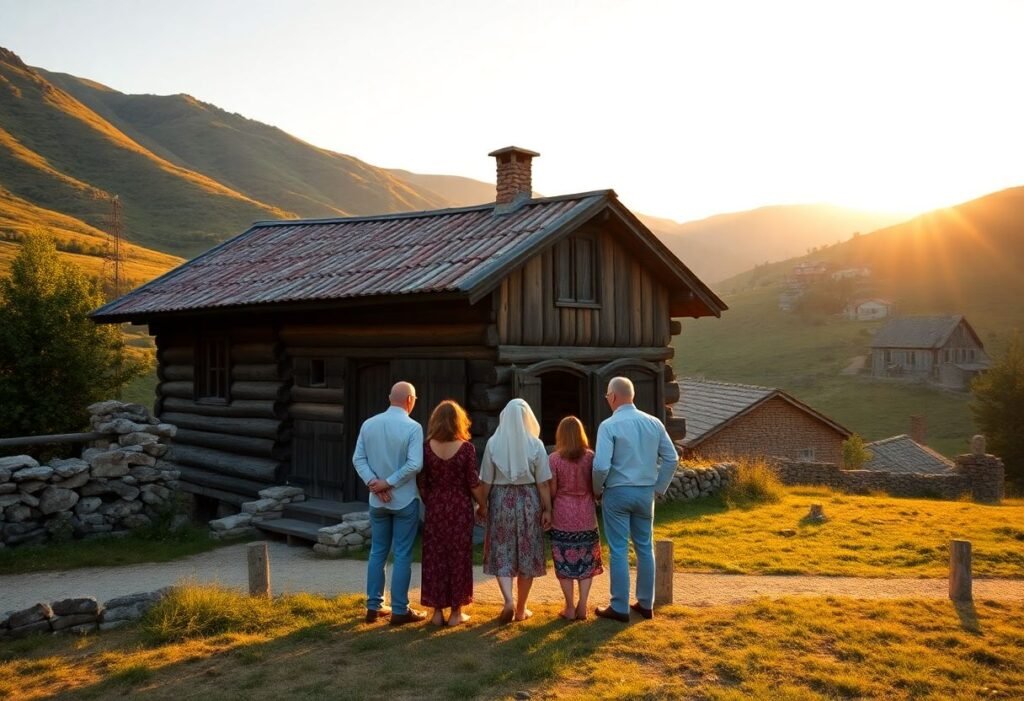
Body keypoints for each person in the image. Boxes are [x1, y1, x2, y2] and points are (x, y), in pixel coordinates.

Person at [592, 376, 678, 622]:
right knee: (644, 547)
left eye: (607, 396)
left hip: (618, 492)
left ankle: (619, 607)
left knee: (619, 549)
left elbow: (600, 466)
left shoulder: (608, 426)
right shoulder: (654, 423)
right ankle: (645, 603)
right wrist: (658, 488)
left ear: (614, 396)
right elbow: (672, 458)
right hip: (645, 492)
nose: (607, 400)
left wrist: (597, 489)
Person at [352, 381, 425, 626]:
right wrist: (389, 482)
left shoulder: (369, 424)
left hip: (377, 500)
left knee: (377, 551)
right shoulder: (413, 427)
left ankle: (373, 606)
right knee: (402, 553)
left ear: (389, 397)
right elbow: (415, 464)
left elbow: (358, 458)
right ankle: (400, 609)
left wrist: (374, 481)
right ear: (410, 400)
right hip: (404, 499)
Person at [479, 398, 552, 623]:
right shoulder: (536, 444)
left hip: (501, 500)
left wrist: (481, 505)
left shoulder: (493, 444)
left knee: (502, 550)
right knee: (527, 551)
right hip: (529, 499)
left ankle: (508, 600)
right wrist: (548, 508)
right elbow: (543, 483)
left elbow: (486, 481)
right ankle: (521, 609)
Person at [417, 400, 487, 627]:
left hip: (436, 508)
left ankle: (436, 611)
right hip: (459, 508)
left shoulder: (426, 448)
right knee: (459, 557)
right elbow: (473, 482)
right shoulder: (466, 448)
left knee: (435, 558)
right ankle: (456, 612)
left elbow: (423, 482)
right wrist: (482, 505)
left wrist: (432, 501)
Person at [548, 415, 603, 621]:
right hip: (586, 514)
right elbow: (595, 485)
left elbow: (552, 491)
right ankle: (583, 604)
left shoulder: (554, 459)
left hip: (563, 513)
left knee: (563, 562)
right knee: (586, 560)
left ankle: (569, 607)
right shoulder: (590, 456)